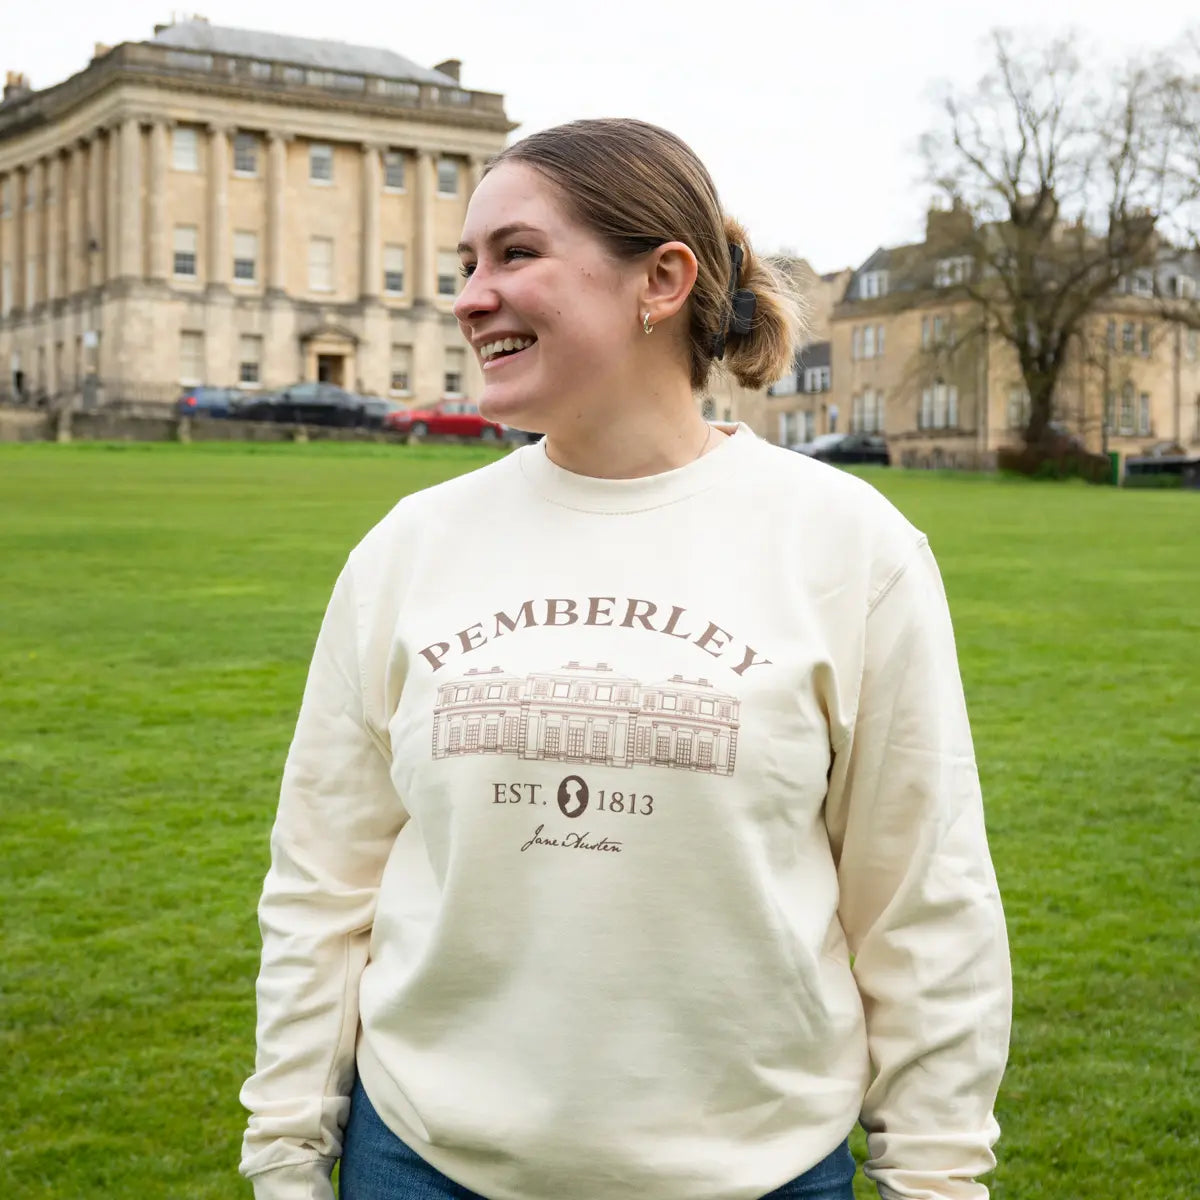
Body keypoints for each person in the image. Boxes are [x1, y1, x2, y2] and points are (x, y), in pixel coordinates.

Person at [238, 118, 1011, 1200]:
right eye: (467, 263)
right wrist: (283, 1156)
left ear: (661, 278)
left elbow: (923, 899)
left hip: (755, 1172)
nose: (469, 295)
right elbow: (322, 885)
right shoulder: (408, 548)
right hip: (426, 1163)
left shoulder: (850, 547)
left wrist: (936, 1177)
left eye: (514, 254)